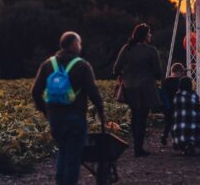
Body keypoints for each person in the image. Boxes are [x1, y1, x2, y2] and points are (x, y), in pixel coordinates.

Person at [31, 32, 105, 185]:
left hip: (55, 117)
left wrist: (45, 111)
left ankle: (60, 182)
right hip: (75, 116)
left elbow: (35, 92)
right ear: (73, 45)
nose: (80, 46)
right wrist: (101, 111)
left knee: (63, 150)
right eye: (79, 43)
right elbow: (93, 92)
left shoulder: (48, 64)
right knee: (73, 156)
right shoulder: (82, 65)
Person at [113, 23, 163, 157]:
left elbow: (116, 68)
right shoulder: (151, 51)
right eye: (149, 33)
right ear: (145, 35)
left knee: (135, 115)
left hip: (129, 87)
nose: (151, 35)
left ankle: (136, 146)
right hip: (146, 87)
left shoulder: (126, 49)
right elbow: (158, 72)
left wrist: (124, 75)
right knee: (142, 117)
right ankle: (138, 148)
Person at [171, 76, 200, 155]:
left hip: (178, 129)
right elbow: (198, 112)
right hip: (195, 129)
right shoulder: (194, 96)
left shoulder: (176, 96)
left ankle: (184, 145)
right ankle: (193, 144)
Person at [160, 63, 185, 146]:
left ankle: (164, 135)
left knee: (168, 122)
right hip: (176, 105)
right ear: (178, 72)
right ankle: (175, 139)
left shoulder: (165, 81)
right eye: (181, 73)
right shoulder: (179, 82)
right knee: (176, 123)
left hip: (166, 105)